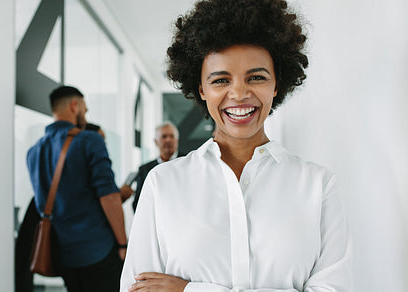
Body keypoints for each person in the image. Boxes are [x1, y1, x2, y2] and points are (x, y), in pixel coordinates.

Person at [120, 1, 352, 291]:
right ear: (202, 89)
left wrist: (188, 289)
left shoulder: (318, 186)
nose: (240, 93)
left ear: (276, 84)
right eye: (221, 80)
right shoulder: (163, 183)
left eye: (256, 77)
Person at [27, 85, 127, 292]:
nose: (86, 113)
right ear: (75, 105)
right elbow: (108, 197)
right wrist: (123, 245)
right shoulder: (89, 140)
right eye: (85, 108)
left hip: (63, 255)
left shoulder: (34, 150)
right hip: (98, 250)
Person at [130, 121, 182, 212]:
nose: (168, 140)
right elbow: (138, 203)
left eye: (171, 136)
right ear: (156, 142)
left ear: (177, 140)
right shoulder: (144, 170)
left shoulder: (187, 163)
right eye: (164, 136)